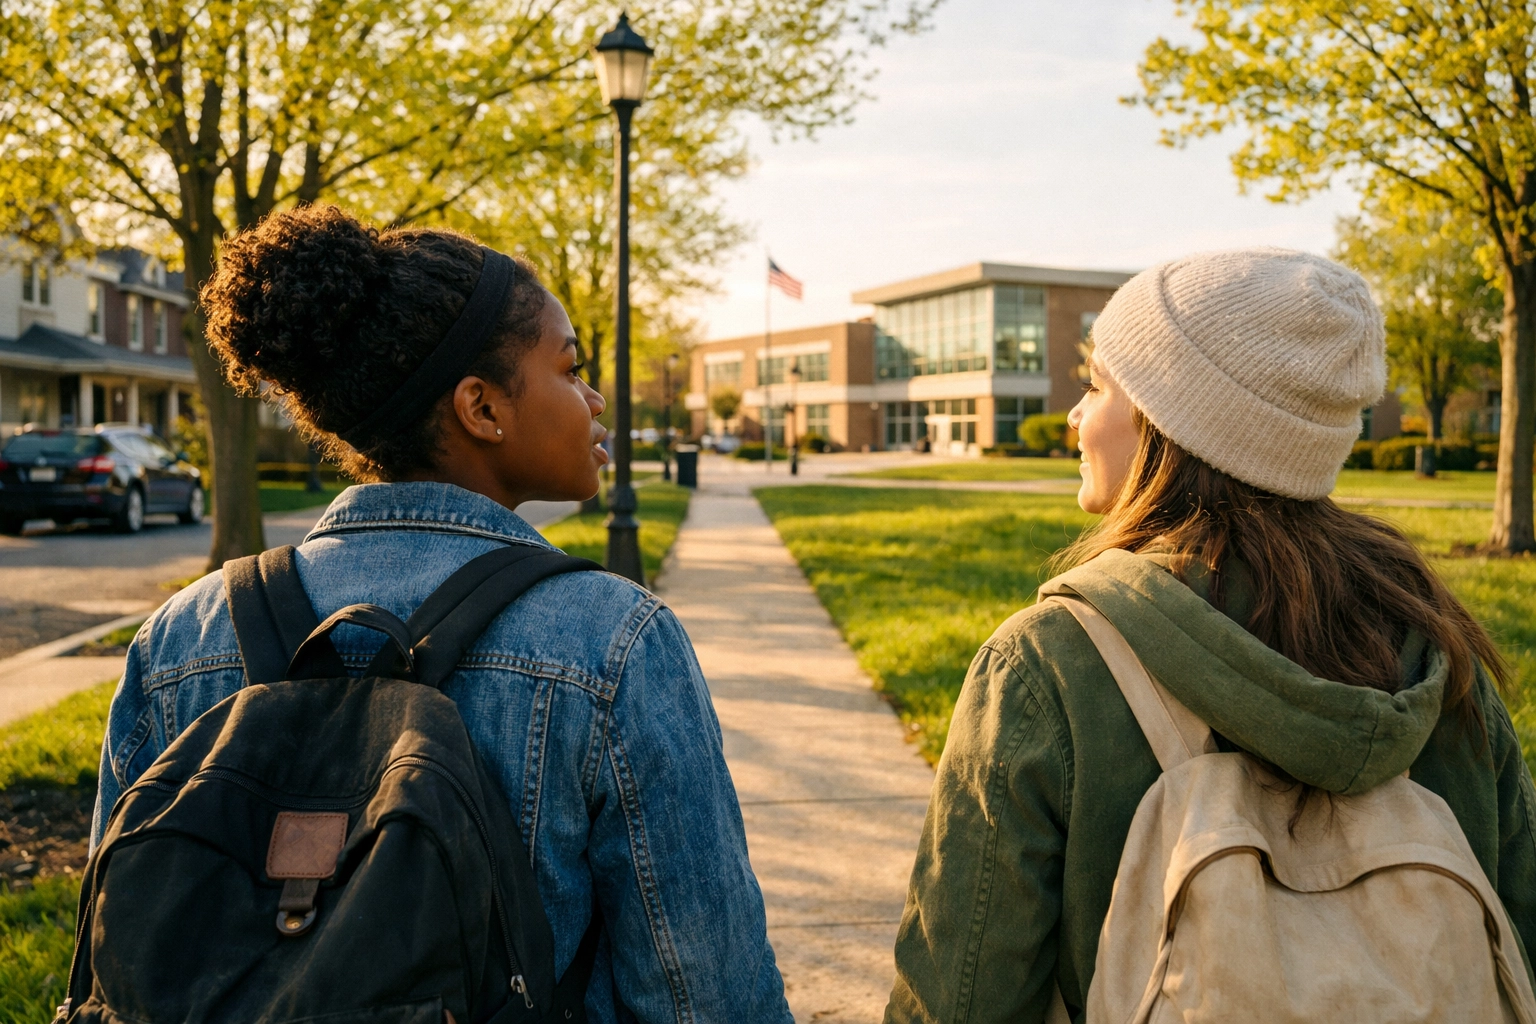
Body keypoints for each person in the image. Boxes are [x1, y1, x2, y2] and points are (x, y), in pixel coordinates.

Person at [90, 205, 792, 1023]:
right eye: (569, 369)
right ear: (481, 408)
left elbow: (118, 961)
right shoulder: (611, 644)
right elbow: (704, 991)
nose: (594, 397)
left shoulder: (180, 636)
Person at [884, 248, 1536, 1022]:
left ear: (1169, 424)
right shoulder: (1438, 653)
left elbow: (962, 1001)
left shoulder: (1048, 666)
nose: (1076, 416)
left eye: (1095, 386)